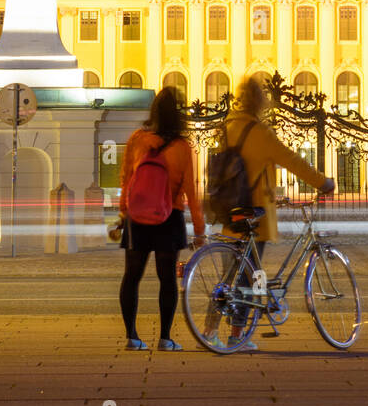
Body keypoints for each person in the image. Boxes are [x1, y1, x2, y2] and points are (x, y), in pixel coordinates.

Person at [217, 75, 334, 350]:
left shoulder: (228, 127)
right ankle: (237, 335)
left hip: (230, 208)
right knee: (251, 277)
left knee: (230, 277)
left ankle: (210, 330)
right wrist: (323, 182)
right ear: (261, 102)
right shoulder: (260, 132)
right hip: (254, 213)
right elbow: (292, 161)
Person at [117, 86, 205, 351]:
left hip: (138, 216)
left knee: (132, 276)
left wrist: (124, 211)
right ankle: (165, 338)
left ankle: (132, 336)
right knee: (167, 278)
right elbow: (192, 189)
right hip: (170, 217)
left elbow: (126, 178)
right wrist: (199, 229)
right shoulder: (181, 146)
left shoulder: (137, 138)